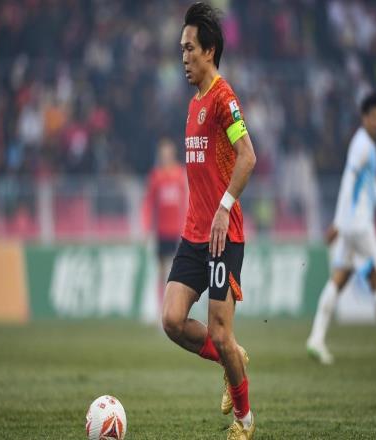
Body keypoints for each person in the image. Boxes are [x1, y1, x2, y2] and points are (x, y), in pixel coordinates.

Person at [161, 3, 257, 439]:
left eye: (189, 48)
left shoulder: (223, 98)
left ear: (209, 51)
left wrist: (223, 206)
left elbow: (247, 157)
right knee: (171, 320)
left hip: (223, 234)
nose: (183, 57)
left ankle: (244, 420)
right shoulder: (194, 102)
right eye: (181, 49)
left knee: (220, 331)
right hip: (193, 233)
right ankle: (232, 357)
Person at [306, 92, 376, 365]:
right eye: (375, 118)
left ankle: (316, 339)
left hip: (351, 224)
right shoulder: (363, 146)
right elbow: (348, 182)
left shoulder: (365, 144)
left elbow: (372, 189)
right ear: (365, 118)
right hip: (358, 225)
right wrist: (337, 223)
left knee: (339, 278)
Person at [142, 138, 187, 316]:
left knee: (177, 273)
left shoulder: (180, 175)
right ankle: (161, 310)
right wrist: (147, 228)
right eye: (163, 153)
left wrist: (187, 227)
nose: (166, 156)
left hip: (177, 232)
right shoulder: (156, 177)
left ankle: (177, 310)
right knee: (162, 272)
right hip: (161, 232)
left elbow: (186, 202)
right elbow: (149, 203)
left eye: (168, 153)